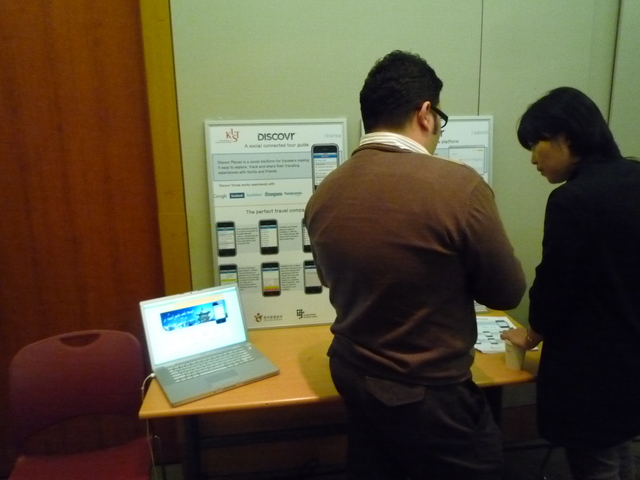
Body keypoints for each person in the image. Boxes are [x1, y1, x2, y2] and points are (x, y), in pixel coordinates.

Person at [304, 50, 526, 480]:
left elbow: (333, 279)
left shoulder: (325, 193)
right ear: (425, 113)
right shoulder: (458, 186)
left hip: (353, 373)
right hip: (428, 392)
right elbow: (507, 292)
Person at [501, 86, 640, 480]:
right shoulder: (635, 177)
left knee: (596, 463)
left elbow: (555, 285)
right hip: (632, 357)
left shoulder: (572, 200)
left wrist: (532, 334)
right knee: (621, 448)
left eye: (536, 144)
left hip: (590, 368)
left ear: (564, 137)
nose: (533, 158)